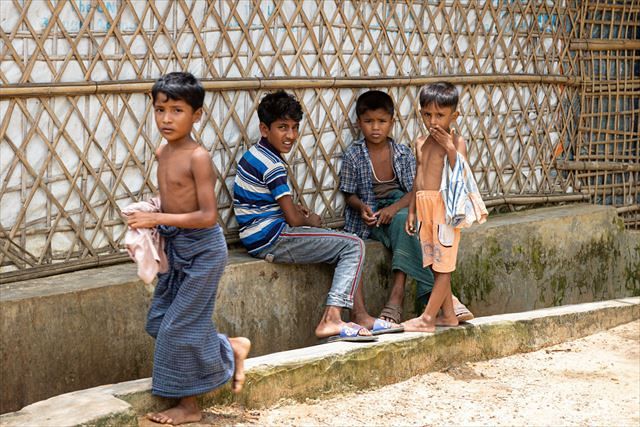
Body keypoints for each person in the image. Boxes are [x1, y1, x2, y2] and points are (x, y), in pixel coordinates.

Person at [125, 72, 251, 425]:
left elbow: (209, 216)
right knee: (160, 321)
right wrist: (153, 214)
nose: (166, 118)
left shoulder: (199, 156)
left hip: (204, 252)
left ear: (197, 115)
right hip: (177, 247)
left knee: (178, 328)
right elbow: (174, 197)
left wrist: (157, 219)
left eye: (177, 110)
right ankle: (230, 347)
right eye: (160, 109)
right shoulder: (163, 150)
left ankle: (188, 407)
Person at [233, 90, 403, 342]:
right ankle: (331, 318)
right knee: (353, 244)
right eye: (282, 127)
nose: (290, 135)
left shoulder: (255, 154)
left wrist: (293, 210)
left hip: (260, 235)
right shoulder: (273, 165)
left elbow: (270, 203)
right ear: (264, 128)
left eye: (294, 127)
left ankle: (360, 315)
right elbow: (293, 220)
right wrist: (309, 220)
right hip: (274, 238)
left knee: (342, 245)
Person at [340, 90, 474, 325]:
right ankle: (446, 302)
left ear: (392, 123)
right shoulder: (353, 155)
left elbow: (416, 187)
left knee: (410, 226)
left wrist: (397, 208)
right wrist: (362, 207)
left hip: (402, 205)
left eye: (382, 121)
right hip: (373, 214)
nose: (375, 128)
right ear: (359, 123)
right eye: (369, 122)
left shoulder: (401, 152)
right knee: (412, 228)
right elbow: (349, 192)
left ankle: (399, 295)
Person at [403, 82, 487, 332]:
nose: (433, 121)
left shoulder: (457, 141)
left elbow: (460, 170)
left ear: (454, 116)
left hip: (445, 210)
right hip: (425, 207)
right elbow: (418, 177)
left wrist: (449, 146)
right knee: (434, 262)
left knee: (444, 266)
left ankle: (427, 318)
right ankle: (449, 315)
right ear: (420, 114)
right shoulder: (419, 142)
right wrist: (412, 210)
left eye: (440, 115)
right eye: (427, 114)